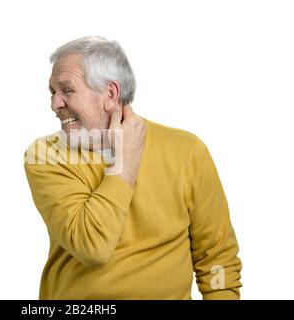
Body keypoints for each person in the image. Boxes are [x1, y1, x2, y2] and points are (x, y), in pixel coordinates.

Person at [23, 36, 242, 300]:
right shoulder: (44, 155)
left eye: (67, 90)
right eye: (52, 92)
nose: (55, 104)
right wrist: (124, 162)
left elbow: (218, 258)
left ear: (110, 94)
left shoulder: (187, 152)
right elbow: (93, 246)